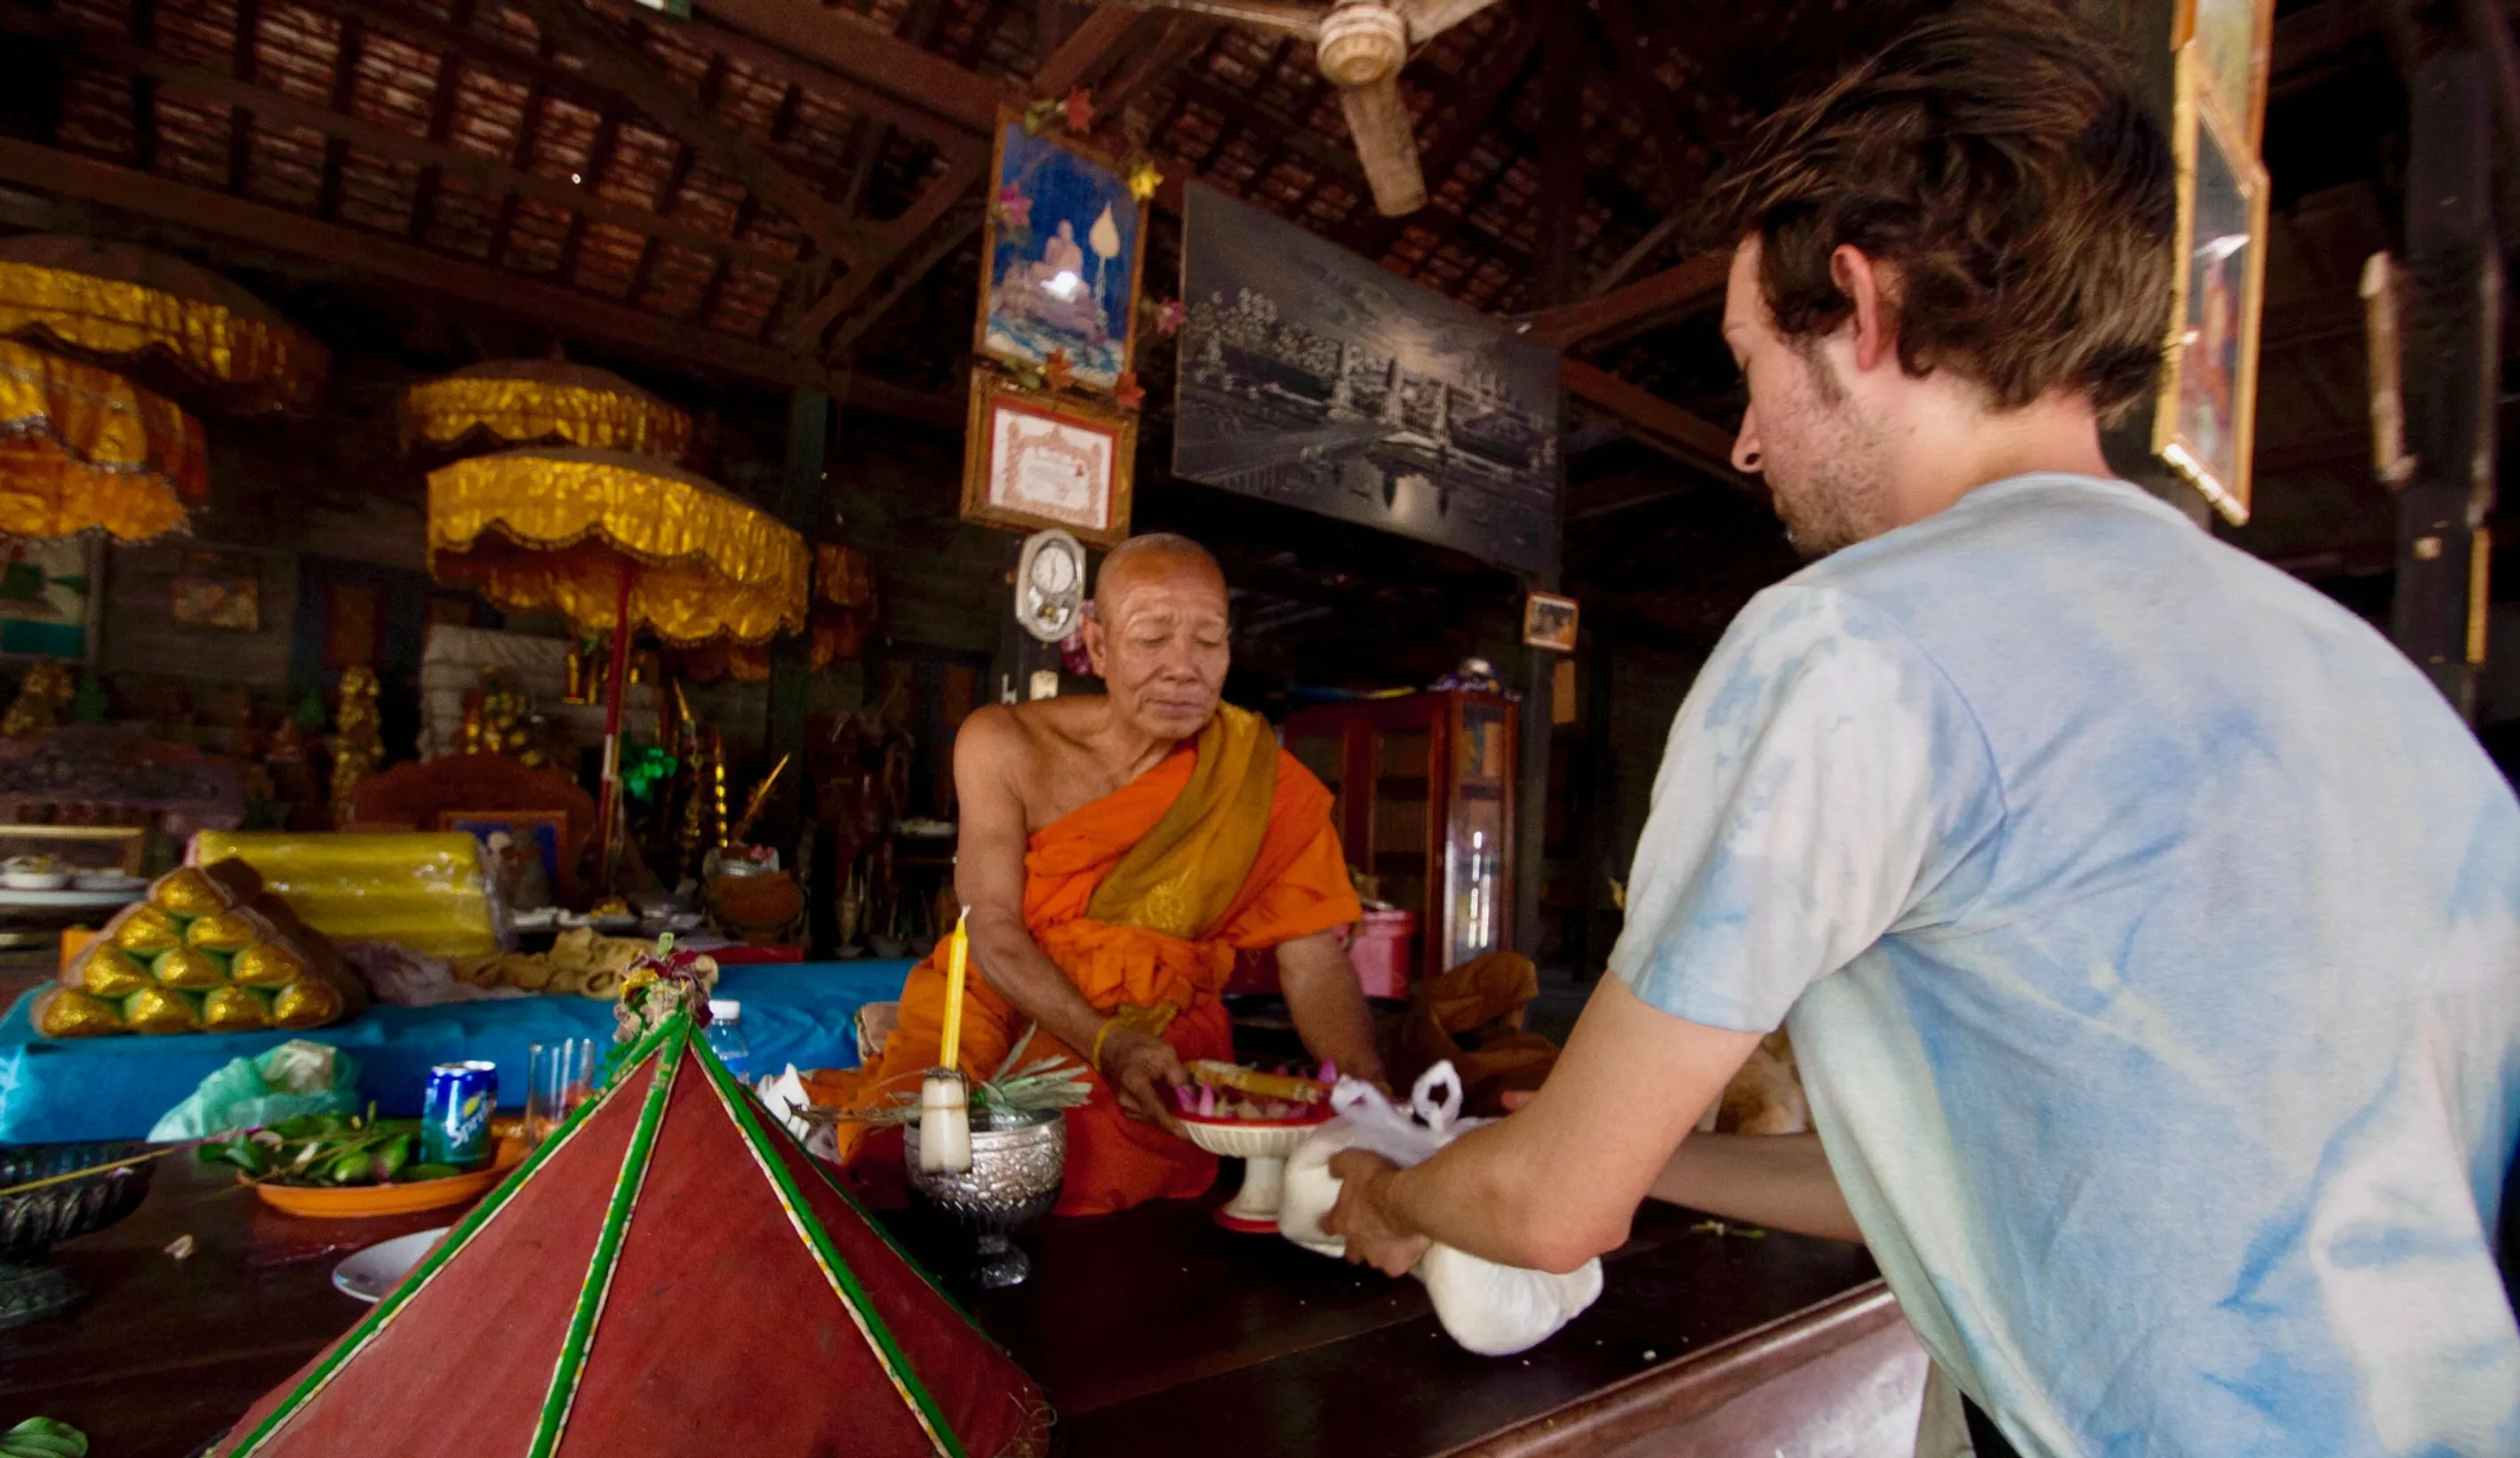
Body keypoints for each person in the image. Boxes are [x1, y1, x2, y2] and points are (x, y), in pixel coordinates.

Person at [1322, 7, 2520, 1456]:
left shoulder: (1852, 645)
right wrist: (1634, 1156)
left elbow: (1548, 1209)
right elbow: (1967, 1171)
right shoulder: (2387, 701)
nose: (1748, 439)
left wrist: (1393, 1195)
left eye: (1750, 361)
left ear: (1863, 305)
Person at [820, 533, 1383, 1215]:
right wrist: (1103, 1042)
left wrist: (1374, 1110)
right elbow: (990, 924)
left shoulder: (1257, 780)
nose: (1184, 668)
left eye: (1208, 641)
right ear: (1096, 640)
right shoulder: (1004, 743)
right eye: (1152, 639)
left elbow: (1315, 961)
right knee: (904, 1154)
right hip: (997, 995)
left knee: (1090, 1172)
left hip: (1159, 1029)